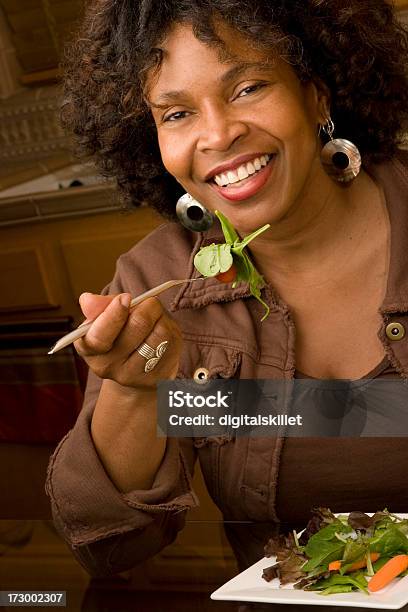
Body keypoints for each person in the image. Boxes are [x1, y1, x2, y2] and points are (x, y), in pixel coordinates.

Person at [46, 0, 408, 601]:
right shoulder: (157, 280)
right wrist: (136, 393)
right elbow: (106, 543)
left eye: (249, 87)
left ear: (317, 94)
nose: (217, 134)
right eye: (177, 112)